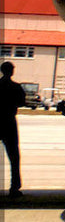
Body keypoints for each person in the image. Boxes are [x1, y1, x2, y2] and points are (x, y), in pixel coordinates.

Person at [1, 61, 24, 197]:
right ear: (11, 71)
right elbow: (21, 102)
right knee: (14, 156)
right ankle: (14, 187)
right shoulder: (16, 87)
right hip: (9, 121)